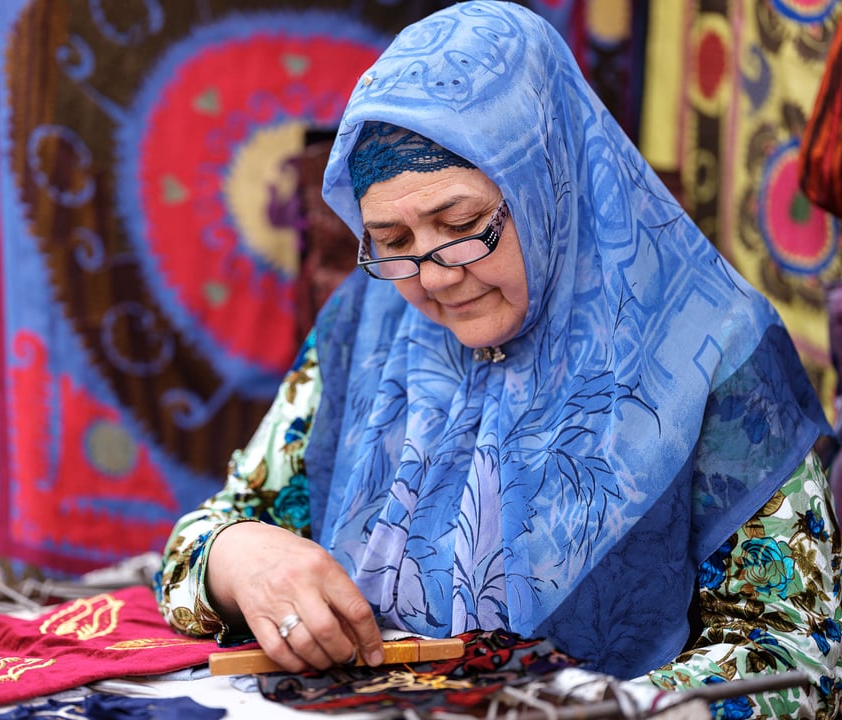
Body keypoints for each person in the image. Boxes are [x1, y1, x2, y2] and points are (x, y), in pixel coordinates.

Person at [156, 2, 842, 716]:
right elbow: (207, 536)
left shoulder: (712, 349)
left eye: (461, 226)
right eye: (391, 240)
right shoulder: (368, 327)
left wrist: (605, 707)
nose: (433, 275)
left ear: (549, 181)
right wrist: (239, 559)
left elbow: (797, 657)